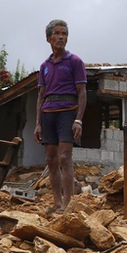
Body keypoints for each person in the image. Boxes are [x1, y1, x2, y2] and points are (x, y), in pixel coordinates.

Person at [33, 19, 86, 213]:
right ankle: (56, 202)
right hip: (48, 113)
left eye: (64, 34)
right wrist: (38, 123)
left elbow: (82, 93)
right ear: (48, 38)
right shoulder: (45, 66)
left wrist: (78, 119)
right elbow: (40, 95)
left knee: (65, 157)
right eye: (57, 33)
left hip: (67, 113)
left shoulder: (74, 62)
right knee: (51, 159)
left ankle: (67, 203)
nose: (61, 37)